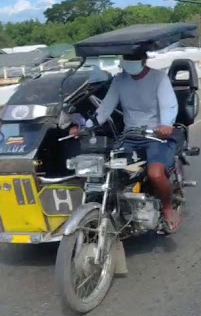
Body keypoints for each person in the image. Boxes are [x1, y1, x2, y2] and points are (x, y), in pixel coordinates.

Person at [70, 51, 182, 231]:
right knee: (110, 171)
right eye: (126, 60)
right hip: (130, 136)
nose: (129, 64)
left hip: (156, 136)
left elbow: (168, 105)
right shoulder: (119, 80)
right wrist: (86, 127)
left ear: (144, 60)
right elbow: (105, 108)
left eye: (133, 59)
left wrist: (166, 124)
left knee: (155, 174)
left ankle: (168, 208)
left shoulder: (159, 78)